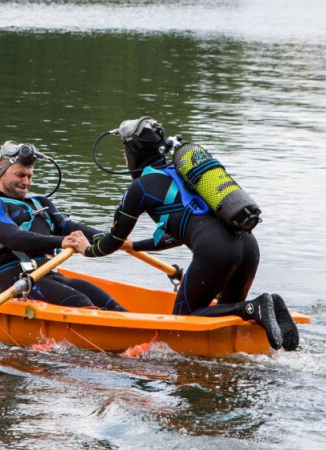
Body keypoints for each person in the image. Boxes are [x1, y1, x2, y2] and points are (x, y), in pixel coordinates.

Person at [62, 117, 298, 350]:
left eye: (125, 153)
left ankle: (252, 307)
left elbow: (112, 240)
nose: (124, 159)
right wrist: (136, 246)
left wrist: (88, 249)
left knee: (185, 317)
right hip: (247, 244)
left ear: (132, 153)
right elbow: (177, 233)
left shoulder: (140, 187)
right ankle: (260, 307)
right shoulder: (182, 173)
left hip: (216, 250)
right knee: (224, 320)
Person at [0, 141, 126, 311]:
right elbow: (14, 238)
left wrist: (112, 238)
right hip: (16, 285)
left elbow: (70, 227)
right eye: (20, 175)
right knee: (80, 302)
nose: (26, 182)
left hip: (51, 277)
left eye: (30, 176)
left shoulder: (41, 203)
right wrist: (62, 242)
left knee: (112, 305)